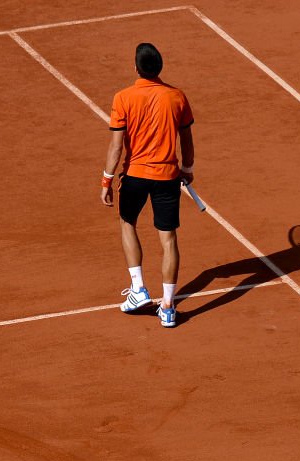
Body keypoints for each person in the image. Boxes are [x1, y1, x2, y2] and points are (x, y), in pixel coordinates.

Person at [100, 42, 195, 329]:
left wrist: (106, 179)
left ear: (136, 69)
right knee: (168, 240)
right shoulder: (177, 97)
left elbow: (117, 147)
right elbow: (187, 141)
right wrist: (187, 169)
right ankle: (167, 307)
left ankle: (138, 289)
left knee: (127, 222)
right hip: (167, 177)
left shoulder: (123, 97)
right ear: (160, 68)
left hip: (136, 176)